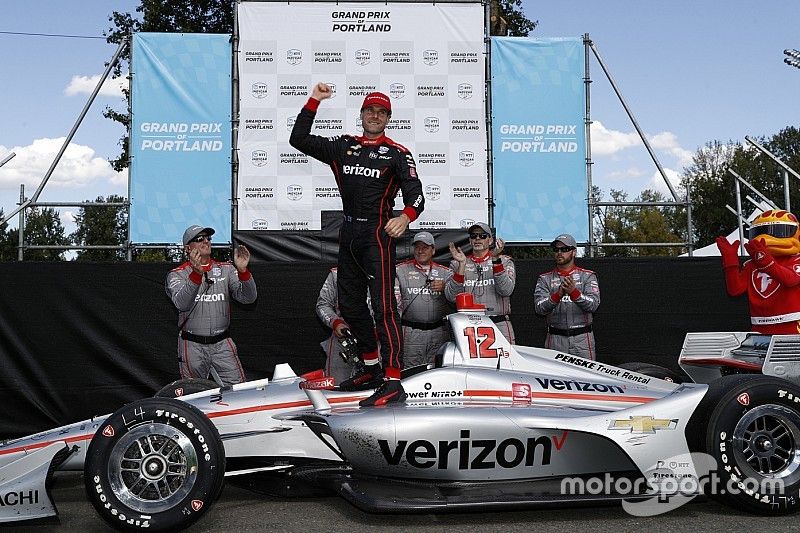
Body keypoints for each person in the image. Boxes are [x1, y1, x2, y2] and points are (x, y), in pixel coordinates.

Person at [289, 83, 424, 406]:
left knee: (384, 308)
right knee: (349, 306)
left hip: (377, 236)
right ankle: (371, 367)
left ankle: (392, 379)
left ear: (388, 118)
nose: (375, 116)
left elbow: (416, 195)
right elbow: (299, 139)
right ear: (362, 114)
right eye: (370, 111)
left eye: (381, 112)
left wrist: (405, 217)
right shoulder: (343, 147)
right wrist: (314, 100)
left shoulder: (397, 153)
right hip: (348, 234)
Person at [165, 225, 257, 386]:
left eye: (208, 238)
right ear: (188, 248)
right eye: (199, 239)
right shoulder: (177, 274)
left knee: (240, 391)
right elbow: (182, 304)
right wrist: (196, 274)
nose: (206, 241)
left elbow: (248, 299)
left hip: (222, 343)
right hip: (192, 344)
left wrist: (243, 271)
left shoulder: (226, 269)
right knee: (194, 394)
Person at [716, 210, 800, 334]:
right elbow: (735, 290)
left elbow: (790, 280)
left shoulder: (796, 259)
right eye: (759, 232)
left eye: (779, 231)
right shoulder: (751, 264)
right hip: (759, 325)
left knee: (789, 353)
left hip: (791, 323)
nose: (765, 238)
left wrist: (765, 261)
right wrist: (730, 261)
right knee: (759, 353)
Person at [446, 223, 516, 343]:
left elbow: (506, 290)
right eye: (474, 236)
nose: (477, 238)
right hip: (469, 326)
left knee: (506, 361)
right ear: (470, 240)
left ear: (490, 240)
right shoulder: (457, 263)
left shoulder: (504, 261)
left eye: (482, 236)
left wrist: (495, 260)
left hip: (498, 324)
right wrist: (462, 266)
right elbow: (451, 297)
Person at [534, 233, 600, 359]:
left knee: (585, 378)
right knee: (553, 378)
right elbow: (539, 308)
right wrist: (557, 295)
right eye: (556, 249)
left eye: (564, 249)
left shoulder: (587, 276)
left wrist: (574, 292)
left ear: (574, 252)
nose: (559, 253)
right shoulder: (544, 278)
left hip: (582, 338)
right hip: (555, 338)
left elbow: (594, 305)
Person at [396, 232, 453, 368]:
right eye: (417, 247)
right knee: (411, 371)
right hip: (411, 332)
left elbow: (456, 297)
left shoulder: (445, 272)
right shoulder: (400, 271)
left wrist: (445, 287)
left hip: (438, 332)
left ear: (433, 250)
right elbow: (395, 304)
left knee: (438, 370)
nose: (420, 251)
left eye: (425, 247)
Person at [316, 267, 371, 384]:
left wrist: (380, 330)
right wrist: (336, 323)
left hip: (375, 340)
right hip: (343, 338)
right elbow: (322, 305)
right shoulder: (336, 274)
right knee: (336, 385)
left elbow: (397, 307)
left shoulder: (385, 272)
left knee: (378, 386)